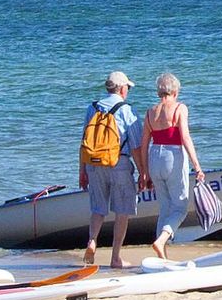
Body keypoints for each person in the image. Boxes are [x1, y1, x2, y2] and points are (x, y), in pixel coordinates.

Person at [77, 71, 145, 269]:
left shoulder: (92, 108)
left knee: (98, 208)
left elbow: (84, 143)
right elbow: (135, 146)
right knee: (122, 211)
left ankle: (92, 240)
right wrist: (143, 172)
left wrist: (82, 171)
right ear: (122, 89)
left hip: (94, 164)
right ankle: (115, 257)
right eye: (128, 88)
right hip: (118, 163)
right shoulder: (126, 110)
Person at [136, 71, 204, 260]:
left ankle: (162, 258)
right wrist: (197, 165)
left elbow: (143, 144)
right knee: (180, 207)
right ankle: (162, 240)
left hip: (154, 156)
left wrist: (144, 172)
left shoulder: (150, 112)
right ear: (175, 91)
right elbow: (185, 137)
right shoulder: (179, 108)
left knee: (164, 208)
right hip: (173, 156)